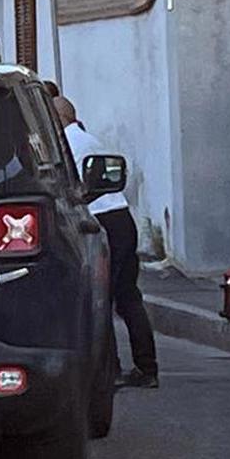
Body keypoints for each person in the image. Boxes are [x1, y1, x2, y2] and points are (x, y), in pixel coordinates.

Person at [53, 96, 158, 389]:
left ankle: (109, 370)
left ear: (57, 119)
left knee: (100, 298)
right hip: (121, 218)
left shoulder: (66, 146)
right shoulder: (90, 140)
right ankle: (147, 367)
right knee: (127, 296)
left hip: (99, 222)